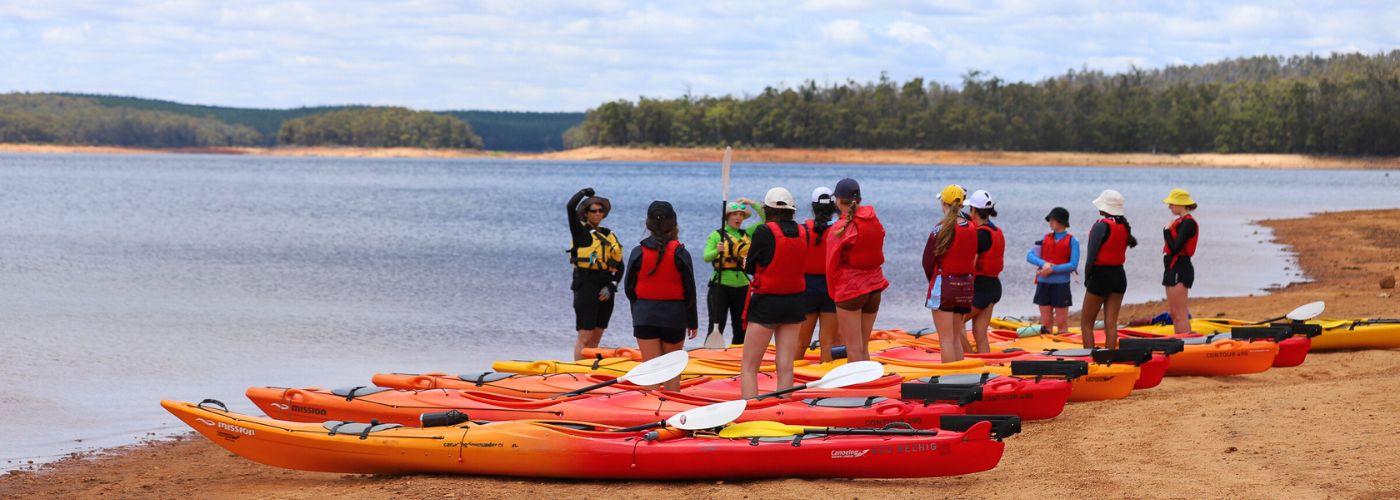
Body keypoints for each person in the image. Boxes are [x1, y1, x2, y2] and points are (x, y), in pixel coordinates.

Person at [739, 188, 808, 398]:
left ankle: (750, 412)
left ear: (768, 209)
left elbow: (750, 267)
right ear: (791, 209)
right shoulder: (803, 231)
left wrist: (745, 263)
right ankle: (783, 411)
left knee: (750, 366)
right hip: (794, 304)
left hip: (767, 305)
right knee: (786, 365)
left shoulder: (763, 231)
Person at [623, 201, 698, 391]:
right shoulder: (681, 253)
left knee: (651, 372)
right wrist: (692, 322)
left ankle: (652, 413)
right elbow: (690, 291)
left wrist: (640, 309)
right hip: (674, 317)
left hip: (645, 316)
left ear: (648, 224)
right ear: (673, 224)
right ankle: (673, 410)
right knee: (672, 373)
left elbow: (629, 289)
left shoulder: (637, 252)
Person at [825, 178, 889, 363]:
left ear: (838, 200)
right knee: (863, 347)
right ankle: (869, 386)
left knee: (852, 349)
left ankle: (858, 390)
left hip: (850, 292)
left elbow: (831, 266)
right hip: (874, 289)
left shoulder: (839, 228)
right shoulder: (874, 220)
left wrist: (834, 294)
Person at [565, 188, 623, 361]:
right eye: (593, 211)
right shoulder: (580, 233)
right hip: (585, 284)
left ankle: (590, 372)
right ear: (586, 213)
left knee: (597, 336)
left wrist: (612, 286)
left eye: (600, 211)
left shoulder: (608, 235)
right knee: (585, 335)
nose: (597, 214)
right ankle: (579, 372)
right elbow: (570, 207)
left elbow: (620, 265)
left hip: (605, 285)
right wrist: (583, 192)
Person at [923, 184, 978, 362]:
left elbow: (927, 262)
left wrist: (932, 281)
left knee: (945, 340)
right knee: (955, 338)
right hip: (964, 287)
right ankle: (958, 377)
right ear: (962, 205)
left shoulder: (939, 230)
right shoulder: (971, 228)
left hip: (944, 287)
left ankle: (948, 381)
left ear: (943, 203)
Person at [1081, 189, 1138, 350]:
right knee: (1111, 324)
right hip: (1119, 276)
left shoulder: (1100, 226)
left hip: (1100, 276)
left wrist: (1087, 279)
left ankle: (1090, 360)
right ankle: (1110, 359)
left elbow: (1090, 257)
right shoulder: (1124, 227)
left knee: (1086, 323)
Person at [702, 197, 761, 345]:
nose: (738, 218)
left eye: (741, 215)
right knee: (717, 324)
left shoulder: (748, 234)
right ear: (727, 217)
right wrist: (717, 250)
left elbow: (766, 219)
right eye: (735, 214)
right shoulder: (717, 235)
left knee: (741, 328)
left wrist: (752, 203)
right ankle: (712, 355)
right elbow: (706, 257)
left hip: (742, 285)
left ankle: (738, 357)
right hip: (720, 285)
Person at [796, 187, 839, 362]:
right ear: (833, 207)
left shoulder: (802, 230)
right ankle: (827, 383)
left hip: (807, 288)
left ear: (813, 207)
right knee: (828, 342)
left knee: (800, 342)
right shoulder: (840, 229)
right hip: (832, 288)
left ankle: (787, 380)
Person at [1026, 207, 1079, 335]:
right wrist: (1044, 264)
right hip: (1043, 284)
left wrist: (1052, 270)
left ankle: (1063, 344)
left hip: (1061, 286)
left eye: (1052, 220)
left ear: (1061, 222)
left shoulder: (1073, 241)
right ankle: (1046, 348)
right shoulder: (1045, 238)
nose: (1050, 223)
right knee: (1046, 324)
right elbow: (1030, 256)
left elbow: (1073, 265)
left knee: (1062, 323)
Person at [964, 190, 1004, 354]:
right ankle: (985, 368)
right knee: (980, 333)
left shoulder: (980, 234)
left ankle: (969, 361)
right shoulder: (995, 231)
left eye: (970, 209)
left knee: (955, 325)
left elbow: (970, 264)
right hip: (994, 286)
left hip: (981, 288)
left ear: (974, 210)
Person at [1162, 188, 1199, 335]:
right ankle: (1180, 341)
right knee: (1173, 313)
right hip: (1171, 268)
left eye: (1172, 203)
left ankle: (1186, 344)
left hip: (1181, 268)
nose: (1169, 206)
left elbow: (1176, 248)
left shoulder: (1188, 223)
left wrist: (1166, 231)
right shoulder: (1179, 222)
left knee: (1180, 313)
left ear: (1181, 204)